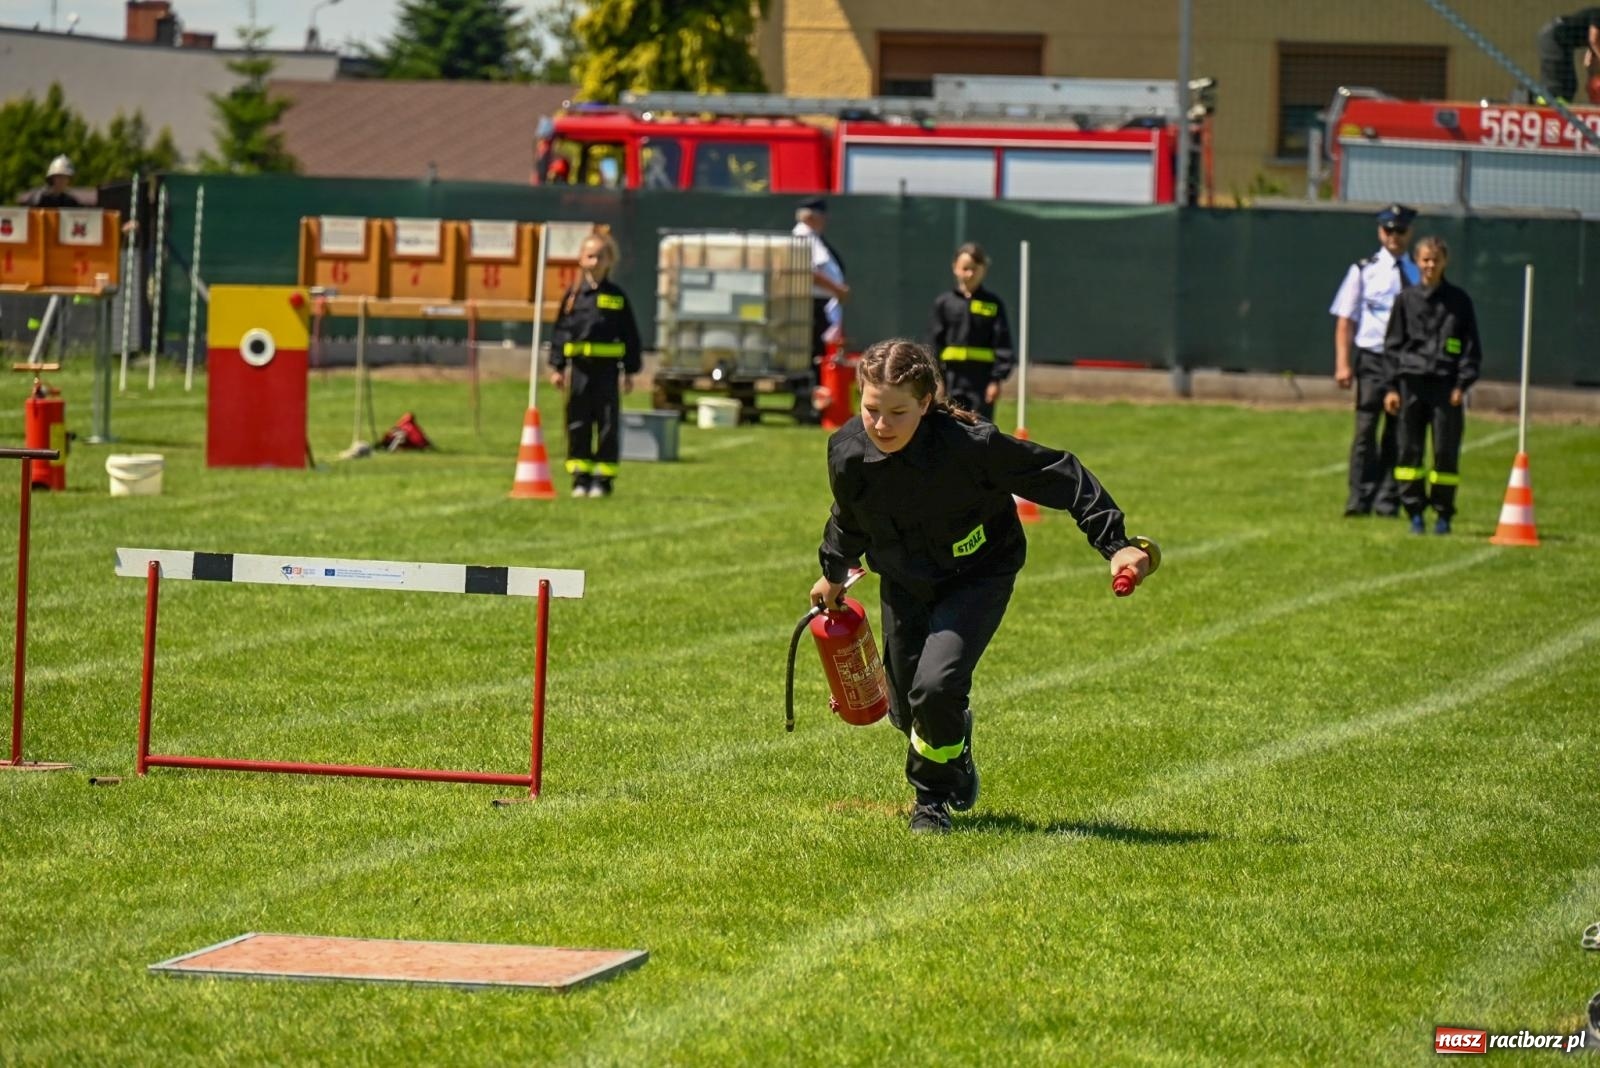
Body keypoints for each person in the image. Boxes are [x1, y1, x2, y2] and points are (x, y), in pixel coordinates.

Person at [808, 338, 1150, 835]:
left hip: (978, 575)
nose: (881, 425)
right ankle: (955, 748)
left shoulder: (971, 447)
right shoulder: (847, 452)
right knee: (908, 710)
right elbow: (849, 518)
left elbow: (1060, 475)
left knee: (936, 686)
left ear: (925, 403)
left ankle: (931, 801)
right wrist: (834, 570)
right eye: (871, 409)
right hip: (905, 580)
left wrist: (1114, 543)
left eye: (898, 412)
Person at [1381, 236, 1481, 536]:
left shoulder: (1459, 301)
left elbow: (1471, 348)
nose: (1430, 265)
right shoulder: (1405, 300)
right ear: (1417, 261)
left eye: (1435, 260)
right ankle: (1414, 512)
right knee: (1408, 452)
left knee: (1445, 451)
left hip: (1445, 387)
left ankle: (1443, 514)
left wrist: (1462, 384)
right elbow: (1392, 346)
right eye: (1425, 259)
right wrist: (1391, 388)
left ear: (1444, 262)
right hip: (1410, 384)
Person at [1329, 203, 1419, 518]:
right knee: (1366, 429)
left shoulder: (1418, 272)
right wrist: (1343, 363)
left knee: (1398, 430)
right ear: (1380, 232)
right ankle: (1359, 496)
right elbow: (1345, 319)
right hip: (1373, 359)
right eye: (1388, 230)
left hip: (1405, 361)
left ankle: (1387, 498)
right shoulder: (1364, 270)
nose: (1394, 236)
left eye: (1400, 230)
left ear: (1410, 232)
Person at [548, 231, 642, 498]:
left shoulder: (617, 297)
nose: (595, 261)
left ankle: (603, 480)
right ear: (581, 259)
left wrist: (629, 371)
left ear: (609, 260)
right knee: (578, 422)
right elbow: (561, 332)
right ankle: (581, 478)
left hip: (607, 372)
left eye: (600, 256)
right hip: (579, 372)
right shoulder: (573, 297)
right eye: (590, 256)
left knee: (607, 423)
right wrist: (558, 367)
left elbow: (630, 335)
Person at [926, 242, 1015, 423]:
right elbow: (933, 343)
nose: (970, 274)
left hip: (981, 382)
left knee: (980, 427)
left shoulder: (993, 304)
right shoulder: (944, 303)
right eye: (965, 268)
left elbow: (1002, 343)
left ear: (984, 270)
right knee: (949, 426)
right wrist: (937, 379)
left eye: (975, 269)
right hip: (950, 379)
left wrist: (996, 380)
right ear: (955, 268)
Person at [792, 197, 849, 404]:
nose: (826, 220)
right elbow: (808, 271)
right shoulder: (803, 237)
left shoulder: (813, 237)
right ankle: (809, 401)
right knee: (815, 355)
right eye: (822, 215)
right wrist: (837, 289)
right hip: (812, 306)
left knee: (821, 353)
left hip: (821, 306)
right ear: (810, 217)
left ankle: (816, 400)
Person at [1537, 8, 1600, 104]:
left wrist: (1592, 75)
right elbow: (1593, 39)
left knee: (1570, 82)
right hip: (1553, 35)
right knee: (1556, 74)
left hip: (1564, 43)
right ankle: (1548, 100)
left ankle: (1563, 105)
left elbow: (1590, 57)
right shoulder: (1598, 15)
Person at [19, 155, 83, 208]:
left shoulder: (70, 202)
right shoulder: (39, 198)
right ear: (52, 178)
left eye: (65, 177)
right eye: (59, 177)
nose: (62, 181)